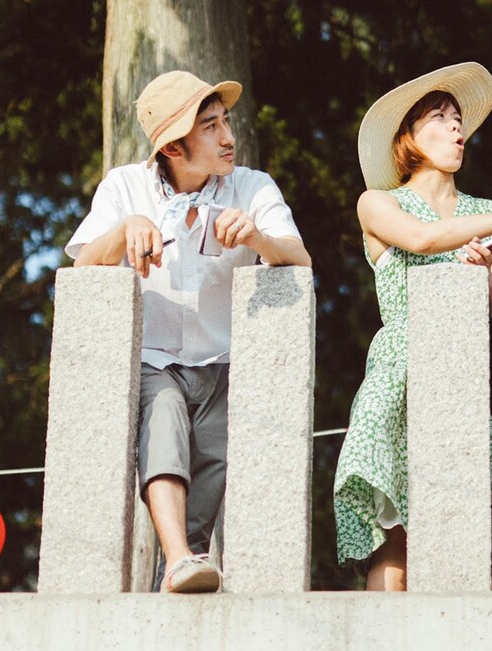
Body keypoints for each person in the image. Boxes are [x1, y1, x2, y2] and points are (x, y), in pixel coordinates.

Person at [333, 62, 492, 590]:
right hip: (402, 376)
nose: (455, 127)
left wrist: (478, 276)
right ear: (407, 138)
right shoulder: (379, 203)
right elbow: (422, 240)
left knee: (474, 542)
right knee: (396, 542)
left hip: (474, 377)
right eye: (439, 118)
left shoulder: (486, 210)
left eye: (457, 119)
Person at [65, 70, 310, 593]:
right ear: (174, 147)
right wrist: (125, 228)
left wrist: (259, 238)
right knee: (165, 424)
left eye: (226, 121)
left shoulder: (252, 186)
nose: (228, 137)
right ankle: (178, 558)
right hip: (154, 358)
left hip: (225, 362)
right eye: (211, 127)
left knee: (214, 470)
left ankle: (178, 570)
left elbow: (299, 257)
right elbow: (82, 266)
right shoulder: (124, 186)